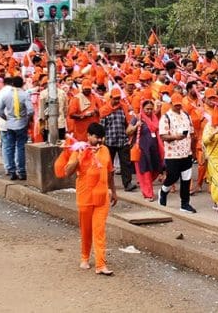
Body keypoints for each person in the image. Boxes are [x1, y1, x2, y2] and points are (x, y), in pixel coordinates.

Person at [56, 123, 117, 276]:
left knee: (99, 230)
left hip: (102, 198)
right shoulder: (79, 150)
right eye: (97, 138)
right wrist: (81, 155)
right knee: (86, 230)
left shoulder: (105, 150)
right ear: (89, 136)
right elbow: (68, 171)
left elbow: (110, 172)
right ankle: (85, 257)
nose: (99, 142)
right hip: (85, 197)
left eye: (102, 139)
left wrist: (114, 192)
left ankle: (100, 265)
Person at [158, 94, 197, 213]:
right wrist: (176, 137)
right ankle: (164, 191)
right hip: (173, 154)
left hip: (186, 153)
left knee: (186, 178)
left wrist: (193, 151)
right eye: (176, 105)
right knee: (173, 176)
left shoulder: (186, 116)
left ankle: (185, 203)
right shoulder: (166, 117)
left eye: (180, 105)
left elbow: (192, 133)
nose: (178, 107)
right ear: (171, 104)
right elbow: (163, 136)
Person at [0, 76, 33, 180]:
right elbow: (31, 110)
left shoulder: (5, 95)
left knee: (9, 147)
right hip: (21, 124)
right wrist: (26, 119)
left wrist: (8, 118)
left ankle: (11, 170)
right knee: (21, 148)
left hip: (9, 124)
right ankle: (21, 171)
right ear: (22, 84)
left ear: (12, 84)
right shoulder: (25, 95)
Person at [99, 88, 136, 192]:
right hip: (109, 141)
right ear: (110, 98)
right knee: (107, 164)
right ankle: (106, 184)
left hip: (122, 140)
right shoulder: (104, 110)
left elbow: (127, 123)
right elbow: (102, 127)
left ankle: (127, 184)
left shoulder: (123, 108)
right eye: (115, 98)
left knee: (126, 163)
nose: (117, 101)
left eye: (118, 98)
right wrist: (102, 140)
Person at [127, 99, 164, 201]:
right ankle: (148, 193)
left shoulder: (154, 118)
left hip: (153, 149)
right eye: (147, 109)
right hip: (142, 150)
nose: (149, 111)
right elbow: (128, 131)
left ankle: (146, 185)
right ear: (142, 109)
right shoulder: (137, 118)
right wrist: (135, 126)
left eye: (151, 109)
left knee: (156, 170)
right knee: (145, 172)